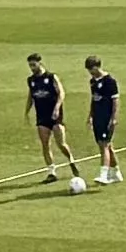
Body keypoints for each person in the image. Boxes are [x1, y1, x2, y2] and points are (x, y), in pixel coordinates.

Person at [26, 54, 83, 185]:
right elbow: (31, 96)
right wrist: (27, 111)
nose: (32, 68)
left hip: (55, 116)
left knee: (61, 143)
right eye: (30, 65)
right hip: (42, 116)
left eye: (34, 65)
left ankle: (71, 161)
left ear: (40, 63)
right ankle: (51, 172)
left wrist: (57, 108)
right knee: (45, 144)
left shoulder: (51, 77)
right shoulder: (31, 80)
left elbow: (61, 93)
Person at [84, 55, 123, 185]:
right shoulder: (93, 82)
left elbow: (115, 100)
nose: (90, 72)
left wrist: (114, 118)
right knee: (107, 145)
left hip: (107, 118)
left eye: (91, 69)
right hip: (97, 118)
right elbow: (93, 99)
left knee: (104, 145)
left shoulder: (109, 81)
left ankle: (104, 175)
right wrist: (90, 115)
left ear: (97, 67)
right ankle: (116, 173)